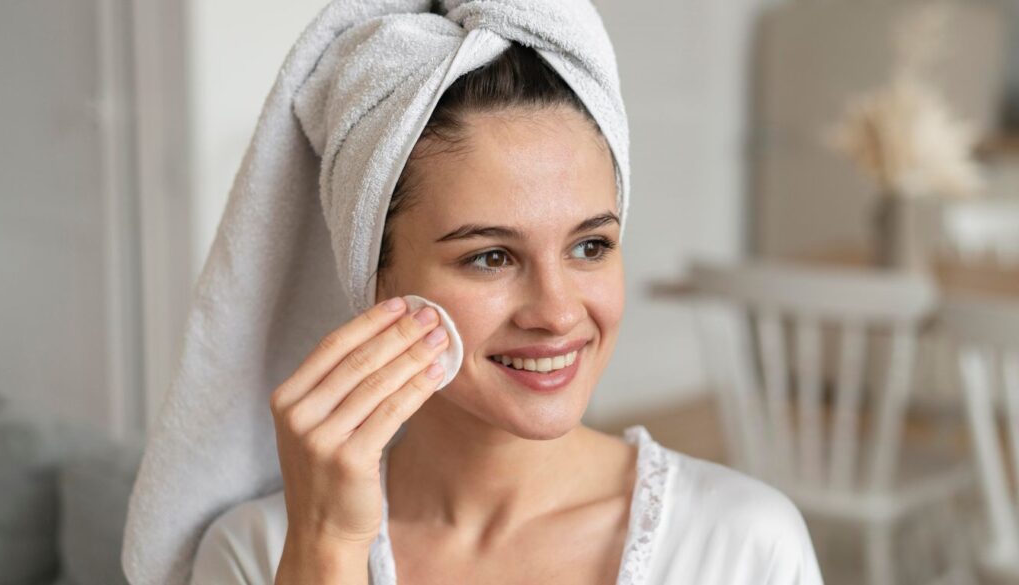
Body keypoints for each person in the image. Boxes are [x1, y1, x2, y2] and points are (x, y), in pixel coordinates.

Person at [188, 43, 824, 585]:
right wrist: (326, 550)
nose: (556, 311)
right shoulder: (260, 551)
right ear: (375, 280)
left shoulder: (744, 546)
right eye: (490, 257)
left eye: (590, 246)